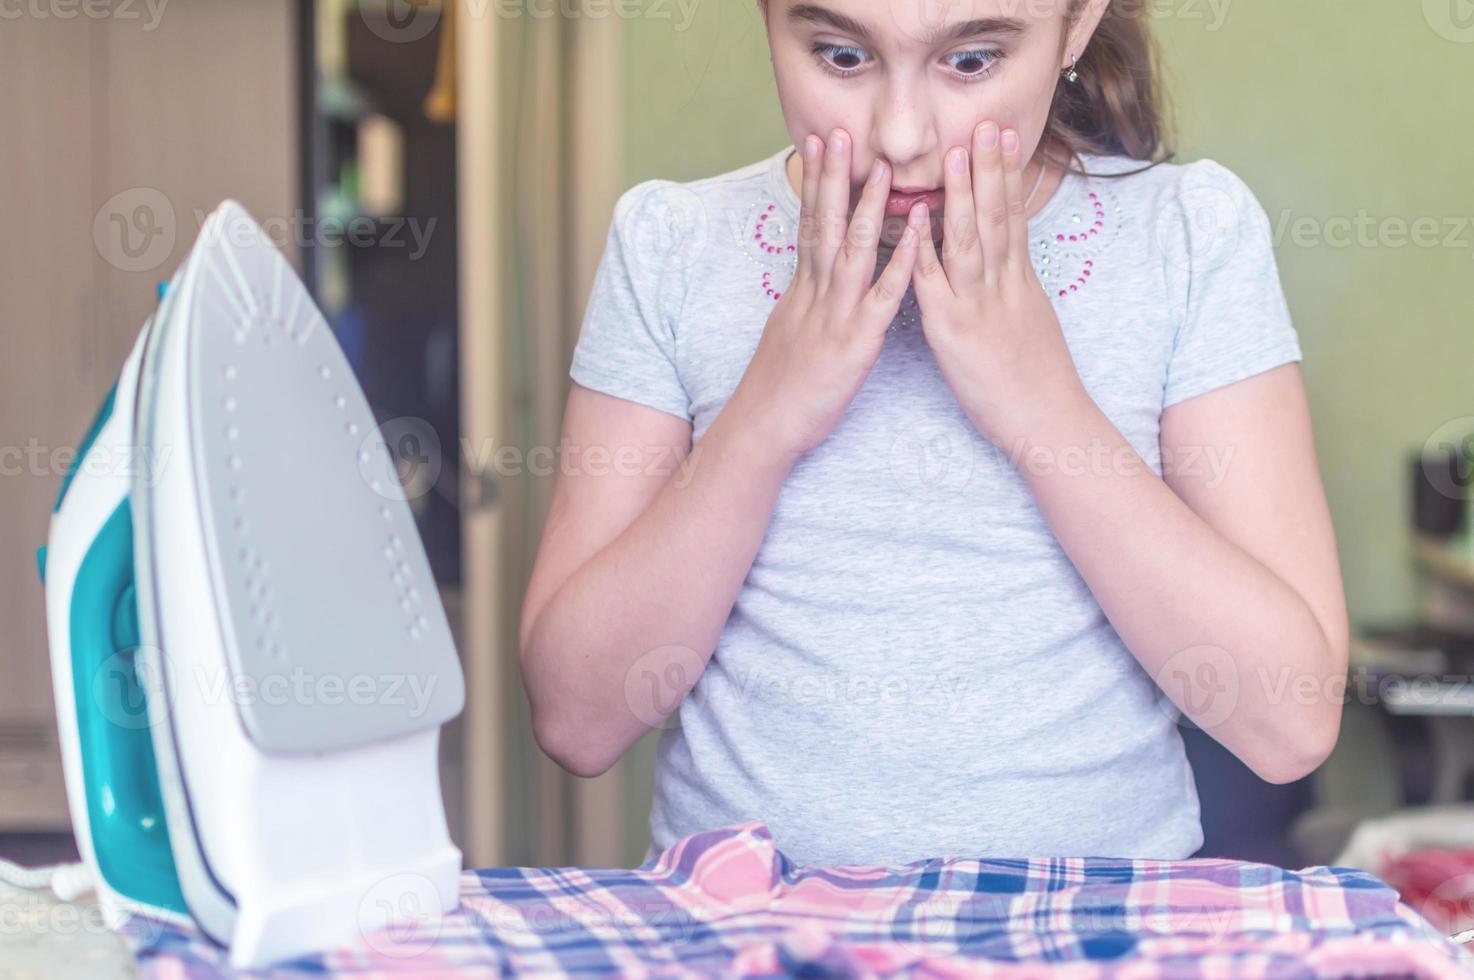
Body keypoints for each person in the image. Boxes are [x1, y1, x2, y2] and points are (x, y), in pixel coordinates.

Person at [518, 0, 1349, 869]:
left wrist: (1044, 410)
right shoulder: (670, 247)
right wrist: (761, 421)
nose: (903, 135)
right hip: (746, 933)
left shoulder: (1190, 237)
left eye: (971, 61)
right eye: (841, 56)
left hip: (1096, 937)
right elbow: (578, 721)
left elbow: (1287, 726)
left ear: (1075, 26)